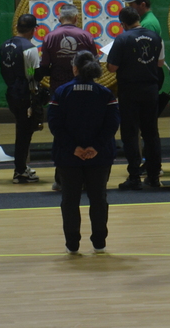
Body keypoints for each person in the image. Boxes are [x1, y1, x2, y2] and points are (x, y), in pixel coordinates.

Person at [49, 50, 120, 254]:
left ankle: (72, 244)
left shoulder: (61, 93)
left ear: (75, 68)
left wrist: (73, 148)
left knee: (70, 201)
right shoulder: (106, 94)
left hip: (68, 157)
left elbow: (55, 125)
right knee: (98, 199)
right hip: (99, 156)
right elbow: (112, 124)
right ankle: (99, 242)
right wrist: (95, 147)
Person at [107, 2, 166, 190]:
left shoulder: (122, 39)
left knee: (130, 134)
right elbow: (160, 63)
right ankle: (154, 176)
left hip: (129, 91)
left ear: (123, 23)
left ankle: (134, 176)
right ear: (138, 19)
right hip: (151, 90)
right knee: (151, 133)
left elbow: (112, 67)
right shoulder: (156, 37)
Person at [0, 14, 42, 184]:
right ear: (32, 30)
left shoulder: (4, 45)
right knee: (24, 133)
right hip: (25, 94)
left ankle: (21, 167)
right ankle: (20, 171)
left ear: (17, 27)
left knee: (22, 130)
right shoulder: (29, 48)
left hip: (11, 92)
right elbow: (32, 73)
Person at [39, 4, 91, 92]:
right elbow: (94, 62)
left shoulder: (49, 37)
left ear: (59, 18)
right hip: (82, 85)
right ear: (76, 18)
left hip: (58, 85)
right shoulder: (86, 36)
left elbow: (44, 64)